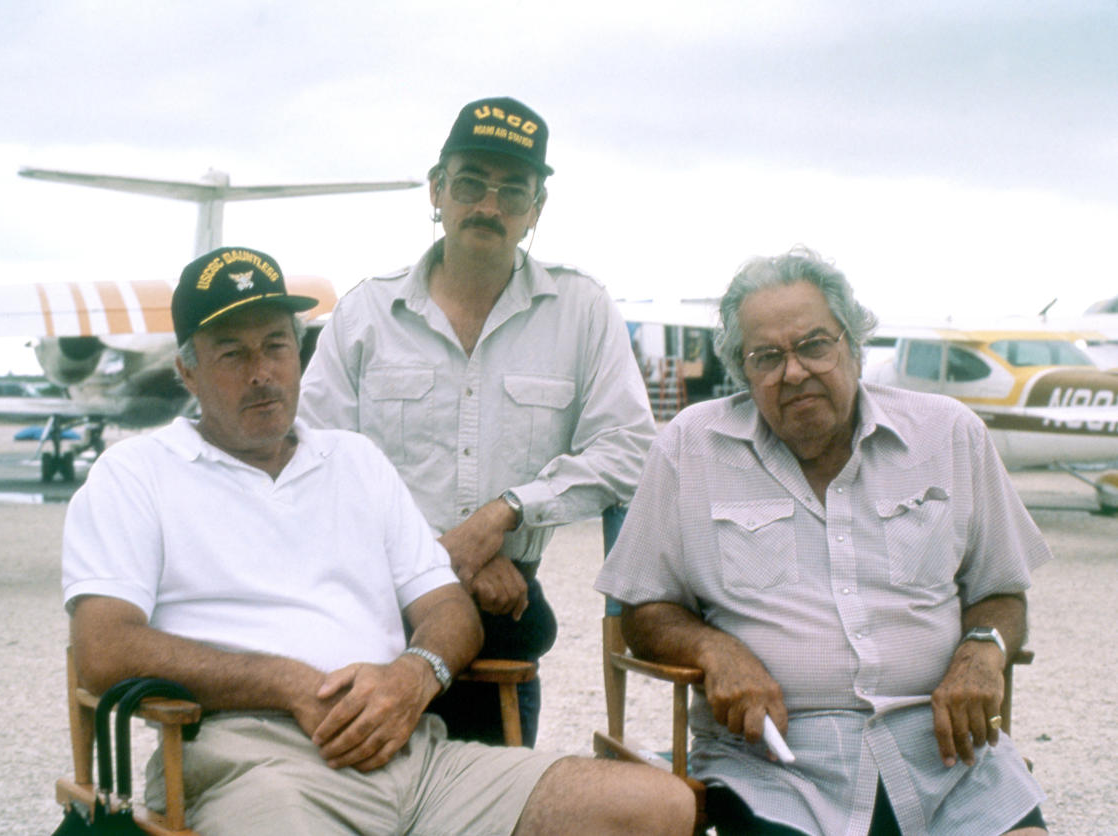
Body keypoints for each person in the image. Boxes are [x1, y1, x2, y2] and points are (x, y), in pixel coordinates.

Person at [62, 246, 694, 836]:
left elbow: (448, 609)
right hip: (254, 765)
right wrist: (288, 683)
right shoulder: (135, 474)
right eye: (232, 354)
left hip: (415, 754)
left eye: (276, 346)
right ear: (187, 371)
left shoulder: (354, 461)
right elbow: (104, 649)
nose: (262, 373)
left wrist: (415, 676)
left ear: (300, 354)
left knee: (660, 808)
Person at [595, 247, 1050, 835]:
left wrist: (983, 649)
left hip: (946, 759)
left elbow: (1001, 591)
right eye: (766, 357)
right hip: (775, 766)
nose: (794, 372)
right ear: (741, 371)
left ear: (854, 346)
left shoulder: (949, 434)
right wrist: (715, 651)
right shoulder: (691, 447)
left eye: (814, 345)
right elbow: (644, 609)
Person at [299, 96, 656, 746]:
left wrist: (504, 514)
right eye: (470, 184)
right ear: (436, 190)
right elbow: (311, 464)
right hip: (374, 606)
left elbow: (630, 448)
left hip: (504, 606)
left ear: (536, 210)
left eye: (512, 191)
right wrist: (443, 557)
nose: (489, 206)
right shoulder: (366, 315)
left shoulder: (580, 311)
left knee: (492, 808)